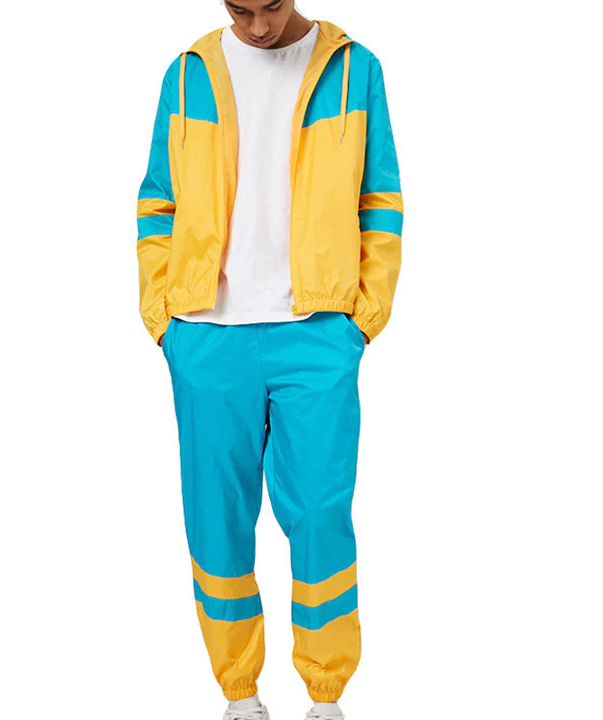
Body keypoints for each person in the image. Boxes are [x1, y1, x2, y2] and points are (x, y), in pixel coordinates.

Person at [136, 1, 403, 718]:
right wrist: (165, 320)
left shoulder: (354, 69)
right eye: (239, 8)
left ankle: (326, 694)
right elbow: (157, 202)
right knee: (216, 520)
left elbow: (380, 200)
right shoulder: (188, 73)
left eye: (272, 6)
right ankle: (239, 694)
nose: (256, 25)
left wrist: (362, 319)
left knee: (319, 512)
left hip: (316, 330)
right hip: (206, 334)